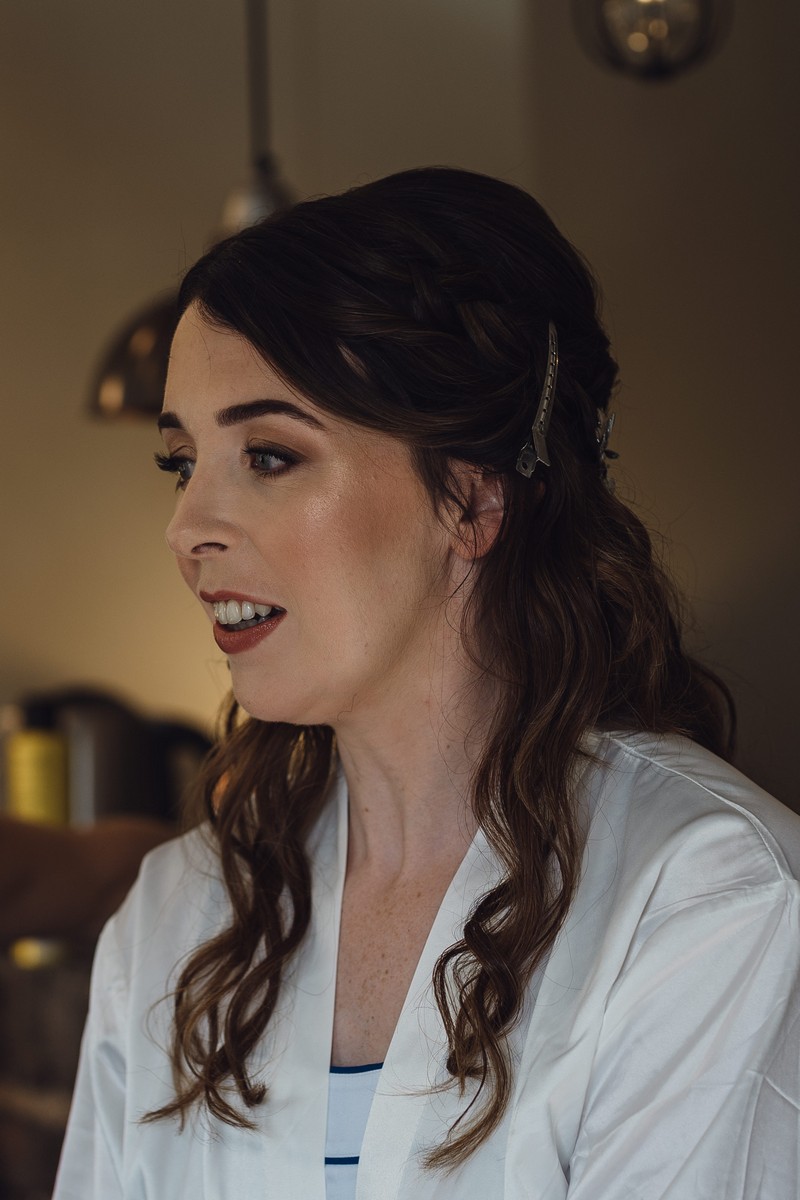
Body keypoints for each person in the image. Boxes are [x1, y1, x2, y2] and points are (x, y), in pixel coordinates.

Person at [54, 167, 800, 1199]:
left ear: (472, 499)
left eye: (268, 456)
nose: (187, 530)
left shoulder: (704, 898)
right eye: (183, 463)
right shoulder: (179, 915)